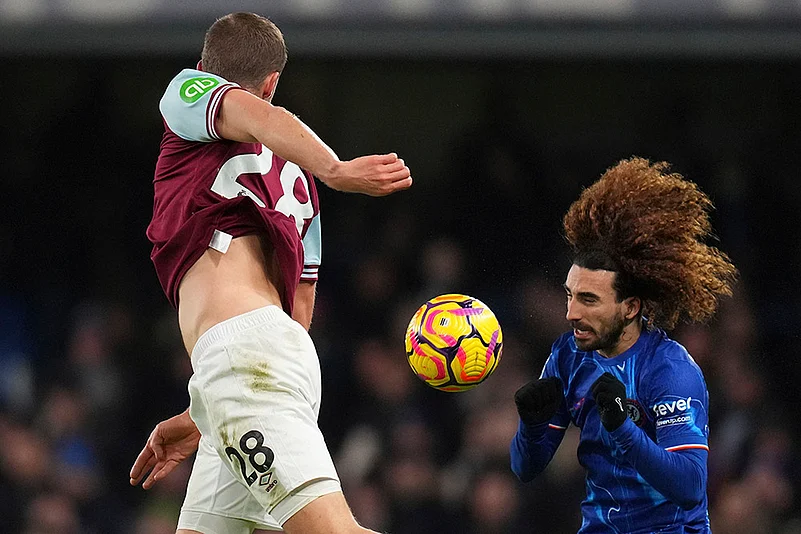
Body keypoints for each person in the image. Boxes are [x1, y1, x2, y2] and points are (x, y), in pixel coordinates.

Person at [128, 12, 411, 534]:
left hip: (241, 361)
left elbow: (241, 108)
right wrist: (204, 412)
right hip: (262, 362)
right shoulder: (298, 181)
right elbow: (298, 313)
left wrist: (338, 168)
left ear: (205, 68)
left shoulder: (187, 92)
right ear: (272, 82)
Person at [510, 157, 737, 533]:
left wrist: (623, 430)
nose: (571, 313)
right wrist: (531, 427)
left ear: (630, 307)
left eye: (589, 300)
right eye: (569, 296)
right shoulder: (568, 356)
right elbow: (525, 468)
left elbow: (691, 487)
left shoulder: (670, 371)